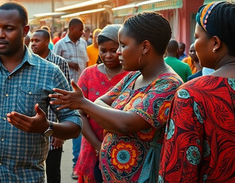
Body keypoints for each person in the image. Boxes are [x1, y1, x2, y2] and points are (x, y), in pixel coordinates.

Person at [0, 2, 82, 183]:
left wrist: (47, 127)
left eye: (8, 28)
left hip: (27, 178)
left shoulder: (50, 72)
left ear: (25, 30)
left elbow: (74, 124)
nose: (0, 34)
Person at [51, 12, 183, 183]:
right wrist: (110, 114)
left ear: (145, 47)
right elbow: (100, 102)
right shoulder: (134, 76)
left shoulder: (168, 84)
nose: (119, 52)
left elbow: (125, 124)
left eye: (123, 45)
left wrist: (84, 104)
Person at [159, 1, 235, 182]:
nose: (194, 44)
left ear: (215, 43)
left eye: (197, 37)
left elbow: (178, 172)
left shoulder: (192, 94)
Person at [74, 25, 130, 183]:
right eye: (103, 50)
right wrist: (98, 146)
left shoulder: (132, 76)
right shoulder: (88, 74)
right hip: (92, 145)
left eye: (113, 50)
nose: (108, 55)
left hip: (125, 148)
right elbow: (81, 114)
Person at [30, 28, 71, 183]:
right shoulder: (27, 64)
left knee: (53, 172)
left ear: (47, 42)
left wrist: (59, 131)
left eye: (37, 41)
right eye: (32, 40)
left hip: (53, 129)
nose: (33, 44)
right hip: (31, 128)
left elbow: (64, 100)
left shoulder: (60, 63)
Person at [54, 18, 89, 178]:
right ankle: (76, 163)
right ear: (72, 28)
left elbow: (86, 65)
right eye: (80, 29)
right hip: (66, 94)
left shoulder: (83, 44)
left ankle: (79, 163)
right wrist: (69, 63)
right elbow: (53, 64)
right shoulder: (60, 44)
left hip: (83, 93)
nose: (83, 32)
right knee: (73, 126)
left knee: (82, 126)